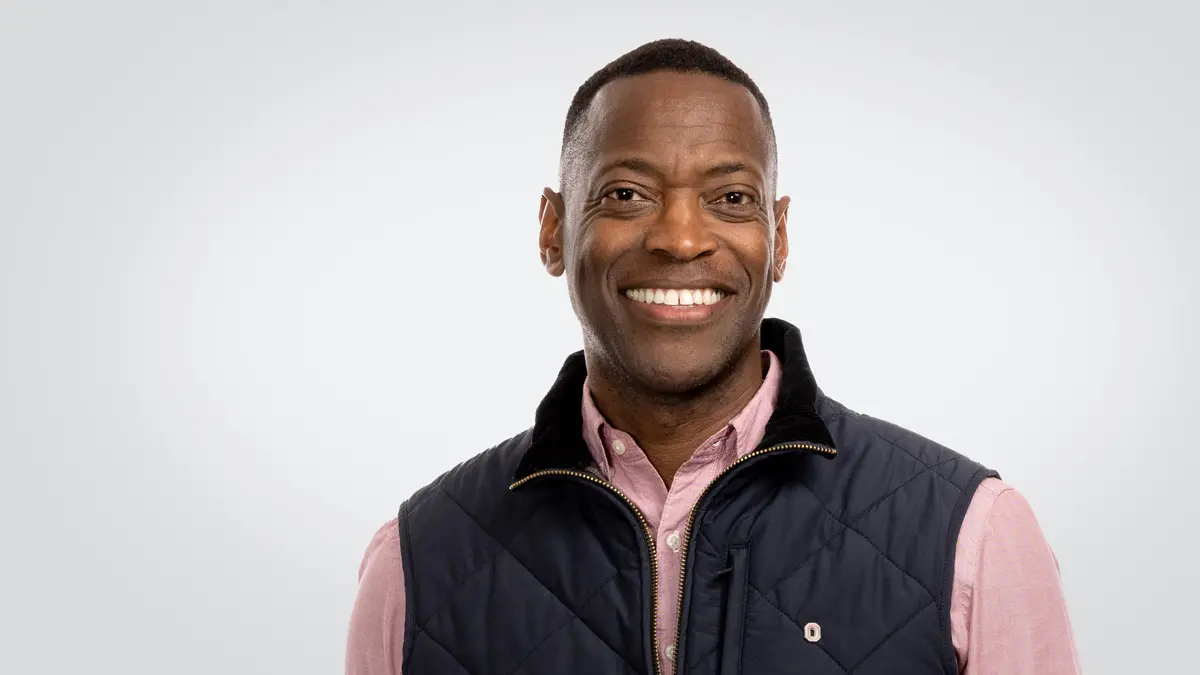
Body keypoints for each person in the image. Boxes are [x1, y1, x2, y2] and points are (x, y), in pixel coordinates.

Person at [346, 38, 1081, 675]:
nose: (680, 236)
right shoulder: (417, 562)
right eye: (627, 193)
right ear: (553, 228)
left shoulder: (973, 535)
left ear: (779, 237)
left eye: (730, 197)